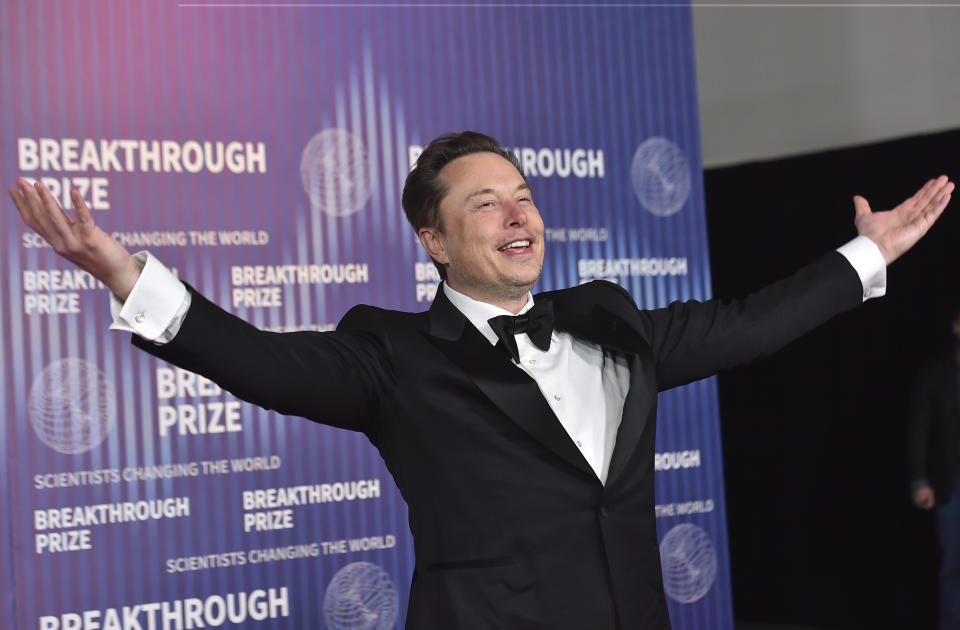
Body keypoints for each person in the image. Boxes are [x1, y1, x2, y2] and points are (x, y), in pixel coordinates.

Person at [10, 131, 954, 629]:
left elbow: (748, 326)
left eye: (526, 196)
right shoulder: (391, 357)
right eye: (485, 202)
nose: (518, 215)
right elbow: (253, 358)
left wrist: (862, 258)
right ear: (434, 239)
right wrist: (119, 271)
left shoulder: (610, 322)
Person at [908, 307, 960, 630]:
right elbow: (918, 429)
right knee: (954, 566)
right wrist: (918, 480)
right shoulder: (934, 374)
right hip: (950, 483)